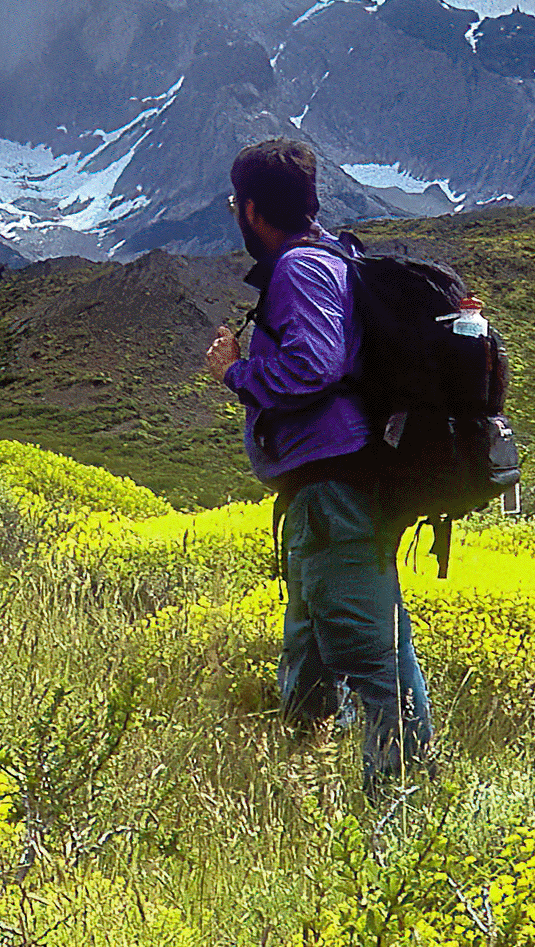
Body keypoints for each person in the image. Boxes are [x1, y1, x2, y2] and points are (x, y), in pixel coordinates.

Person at [202, 138, 434, 797]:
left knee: (374, 658)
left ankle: (402, 805)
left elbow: (313, 363)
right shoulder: (330, 256)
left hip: (336, 493)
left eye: (233, 206)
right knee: (306, 659)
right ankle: (299, 788)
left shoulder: (301, 269)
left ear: (250, 209)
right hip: (322, 497)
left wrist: (233, 372)